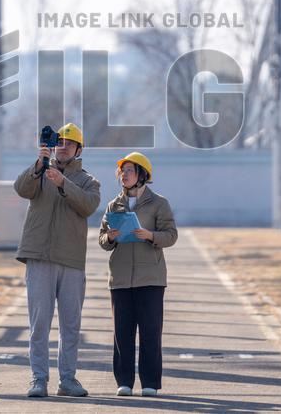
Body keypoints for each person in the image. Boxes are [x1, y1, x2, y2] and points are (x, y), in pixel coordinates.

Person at [13, 123, 101, 398]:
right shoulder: (40, 172)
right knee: (39, 324)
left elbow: (88, 205)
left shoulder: (88, 181)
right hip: (39, 256)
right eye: (59, 143)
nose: (63, 148)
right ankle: (38, 379)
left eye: (69, 144)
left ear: (78, 150)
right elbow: (20, 188)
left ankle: (68, 380)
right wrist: (38, 164)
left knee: (70, 325)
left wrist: (63, 183)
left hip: (71, 259)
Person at [97, 151, 178, 397]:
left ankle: (150, 383)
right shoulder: (113, 205)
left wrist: (150, 235)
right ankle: (124, 382)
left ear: (142, 174)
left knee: (150, 333)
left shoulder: (159, 203)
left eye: (129, 170)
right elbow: (102, 240)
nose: (124, 175)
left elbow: (171, 235)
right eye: (122, 171)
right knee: (122, 333)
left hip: (151, 278)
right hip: (120, 278)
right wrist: (110, 237)